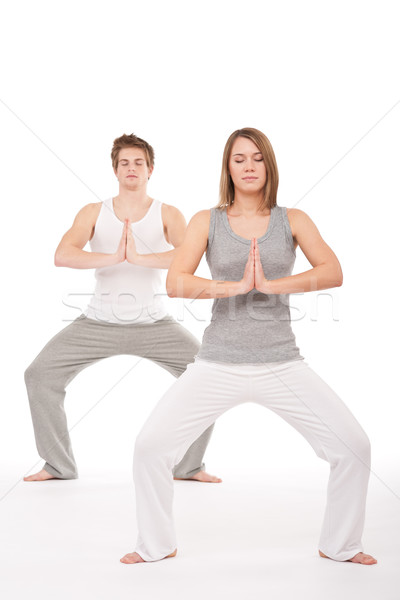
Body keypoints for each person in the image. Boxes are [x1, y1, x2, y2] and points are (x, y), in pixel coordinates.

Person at [121, 127, 377, 566]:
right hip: (218, 362)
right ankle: (156, 545)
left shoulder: (292, 219)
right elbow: (176, 281)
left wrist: (271, 284)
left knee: (354, 446)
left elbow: (333, 271)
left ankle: (341, 544)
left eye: (257, 158)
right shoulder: (208, 220)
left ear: (269, 165)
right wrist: (234, 286)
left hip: (282, 361)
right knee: (149, 447)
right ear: (228, 167)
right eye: (239, 159)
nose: (249, 167)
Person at [24, 133, 220, 485]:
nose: (132, 168)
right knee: (39, 375)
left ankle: (189, 466)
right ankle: (58, 465)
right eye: (124, 163)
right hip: (97, 323)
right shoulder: (93, 212)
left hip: (153, 324)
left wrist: (140, 258)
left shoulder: (168, 213)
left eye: (138, 163)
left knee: (207, 376)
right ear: (115, 170)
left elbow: (189, 255)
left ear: (150, 170)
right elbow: (63, 254)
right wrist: (114, 257)